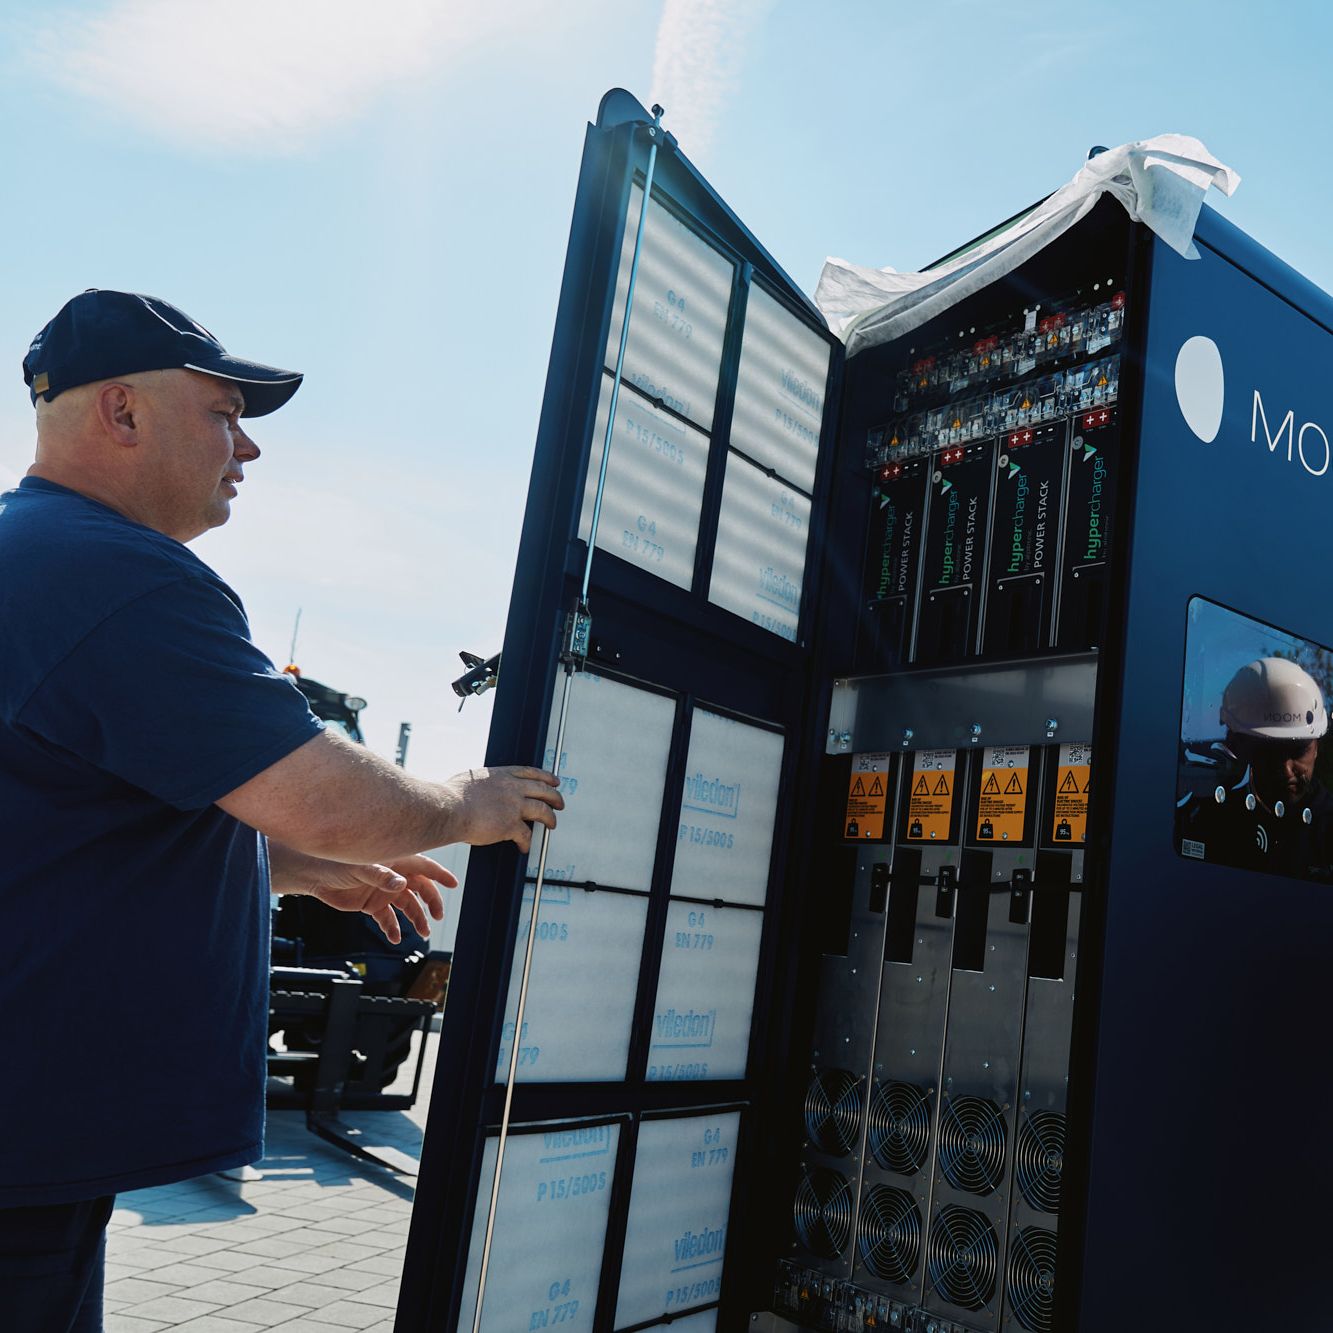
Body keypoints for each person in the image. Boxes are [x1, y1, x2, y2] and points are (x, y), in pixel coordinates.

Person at [0, 290, 564, 1332]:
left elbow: (68, 833)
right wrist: (474, 800)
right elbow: (327, 797)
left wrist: (282, 870)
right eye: (223, 413)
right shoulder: (115, 572)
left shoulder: (30, 550)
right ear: (121, 413)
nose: (247, 446)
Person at [1177, 655, 1333, 877]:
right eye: (1269, 752)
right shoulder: (1211, 822)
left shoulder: (1328, 831)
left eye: (1299, 751)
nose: (1287, 769)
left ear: (1317, 746)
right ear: (1237, 745)